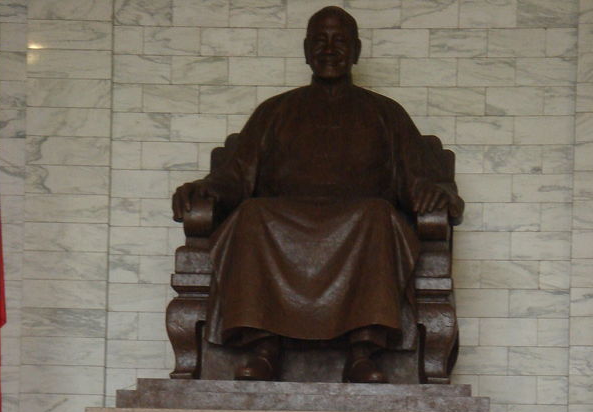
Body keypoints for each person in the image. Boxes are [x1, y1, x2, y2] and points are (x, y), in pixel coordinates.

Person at [172, 5, 463, 384]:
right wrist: (205, 188)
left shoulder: (386, 113)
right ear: (306, 50)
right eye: (320, 41)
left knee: (378, 215)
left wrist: (432, 193)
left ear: (356, 51)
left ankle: (362, 352)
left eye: (340, 40)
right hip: (280, 220)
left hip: (361, 221)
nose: (329, 49)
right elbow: (236, 176)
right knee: (251, 214)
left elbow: (418, 179)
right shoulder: (274, 111)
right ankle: (264, 347)